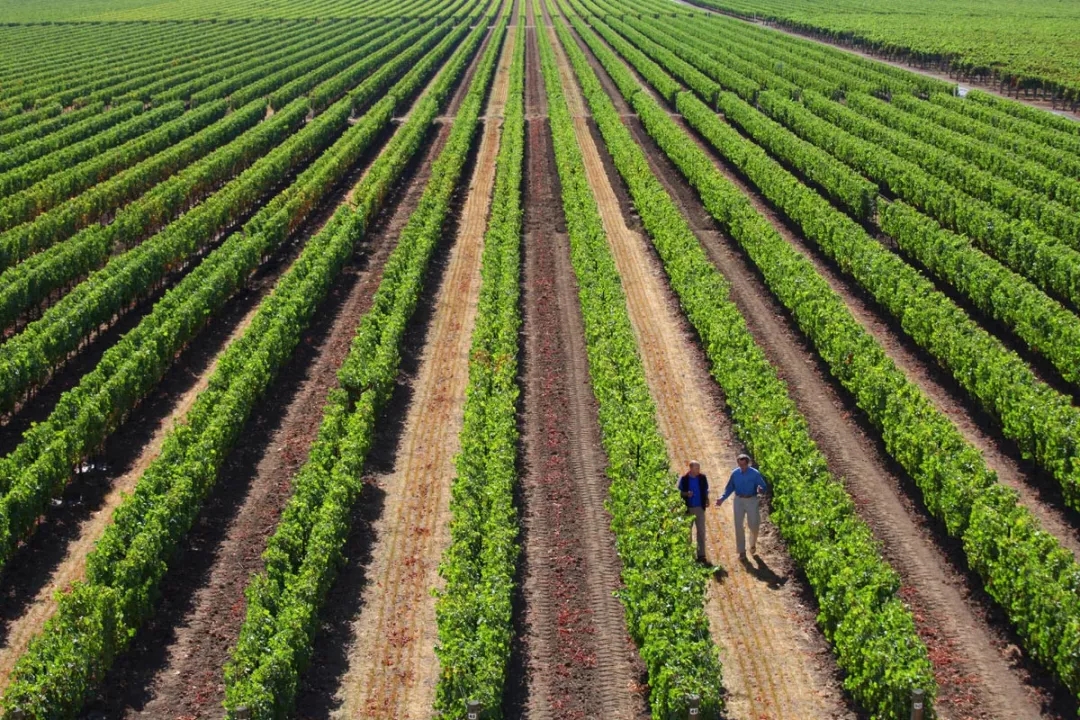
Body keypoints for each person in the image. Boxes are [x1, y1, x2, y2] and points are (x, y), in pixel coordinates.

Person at [716, 453, 768, 558]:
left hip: (751, 499)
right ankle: (741, 551)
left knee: (754, 525)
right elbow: (730, 487)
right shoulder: (735, 474)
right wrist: (722, 498)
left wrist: (761, 489)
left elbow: (764, 486)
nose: (742, 468)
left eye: (744, 465)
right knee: (738, 525)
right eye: (740, 465)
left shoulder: (755, 474)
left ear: (747, 464)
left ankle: (752, 544)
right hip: (738, 500)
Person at [678, 460, 709, 563]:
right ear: (690, 468)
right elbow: (679, 492)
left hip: (700, 508)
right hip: (688, 508)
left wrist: (707, 499)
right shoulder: (684, 479)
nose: (698, 470)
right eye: (696, 468)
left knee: (701, 531)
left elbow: (705, 490)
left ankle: (701, 555)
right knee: (688, 532)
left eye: (698, 468)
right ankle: (689, 555)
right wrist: (686, 494)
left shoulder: (702, 478)